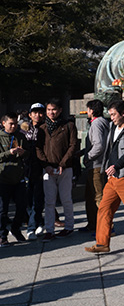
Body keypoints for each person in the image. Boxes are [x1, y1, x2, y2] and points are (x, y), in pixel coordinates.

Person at [85, 99, 124, 254]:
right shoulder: (112, 127)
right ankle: (102, 243)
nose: (111, 117)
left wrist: (117, 165)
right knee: (104, 209)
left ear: (123, 113)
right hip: (113, 177)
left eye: (114, 114)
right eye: (110, 114)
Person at [36, 99, 78, 241]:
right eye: (48, 110)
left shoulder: (68, 126)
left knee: (66, 199)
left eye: (53, 109)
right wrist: (45, 165)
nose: (51, 112)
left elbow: (73, 145)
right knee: (49, 201)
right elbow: (38, 148)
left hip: (65, 169)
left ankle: (69, 227)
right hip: (48, 169)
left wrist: (63, 163)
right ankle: (49, 230)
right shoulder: (42, 128)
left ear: (60, 110)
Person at [80, 99, 110, 233]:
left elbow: (98, 146)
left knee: (98, 197)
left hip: (96, 165)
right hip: (97, 164)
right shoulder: (103, 122)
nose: (87, 112)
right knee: (90, 196)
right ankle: (93, 223)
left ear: (92, 111)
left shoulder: (97, 124)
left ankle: (107, 226)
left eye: (88, 109)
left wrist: (87, 157)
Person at [0, 113, 29, 246]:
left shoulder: (20, 136)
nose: (13, 126)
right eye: (10, 124)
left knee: (22, 206)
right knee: (2, 210)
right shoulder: (1, 138)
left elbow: (29, 153)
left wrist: (24, 153)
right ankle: (2, 235)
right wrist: (9, 152)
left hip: (19, 177)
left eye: (15, 124)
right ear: (3, 123)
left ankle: (16, 229)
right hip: (3, 178)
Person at [24, 102, 46, 239]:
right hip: (26, 168)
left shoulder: (46, 128)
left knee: (38, 198)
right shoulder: (24, 129)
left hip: (40, 167)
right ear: (30, 114)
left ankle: (32, 227)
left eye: (40, 112)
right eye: (35, 113)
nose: (38, 115)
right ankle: (38, 222)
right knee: (27, 199)